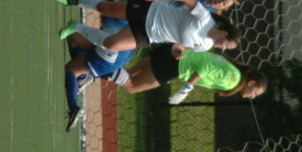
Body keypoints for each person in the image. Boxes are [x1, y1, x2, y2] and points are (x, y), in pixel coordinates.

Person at [62, 0, 137, 132]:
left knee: (70, 69)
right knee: (74, 38)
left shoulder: (120, 5)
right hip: (111, 46)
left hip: (110, 55)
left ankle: (74, 107)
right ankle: (85, 74)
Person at [56, 0, 241, 58]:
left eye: (226, 49)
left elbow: (180, 45)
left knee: (111, 44)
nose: (223, 48)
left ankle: (75, 26)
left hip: (149, 35)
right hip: (150, 11)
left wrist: (177, 51)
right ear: (224, 33)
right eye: (226, 45)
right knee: (106, 8)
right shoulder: (205, 19)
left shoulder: (205, 46)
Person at [109, 43, 267, 103]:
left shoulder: (234, 70)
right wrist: (186, 88)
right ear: (252, 83)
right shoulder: (233, 80)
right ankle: (100, 67)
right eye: (255, 92)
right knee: (132, 86)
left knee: (129, 73)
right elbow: (205, 68)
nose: (252, 96)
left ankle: (101, 62)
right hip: (176, 65)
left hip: (176, 51)